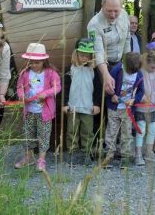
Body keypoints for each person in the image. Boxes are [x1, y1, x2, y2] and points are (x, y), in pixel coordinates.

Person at [14, 43, 61, 171]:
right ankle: (28, 157)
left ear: (44, 61)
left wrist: (46, 94)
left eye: (37, 62)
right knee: (28, 134)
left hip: (44, 112)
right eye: (31, 62)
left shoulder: (51, 73)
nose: (34, 65)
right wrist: (22, 95)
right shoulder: (25, 73)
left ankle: (41, 159)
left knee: (43, 135)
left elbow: (57, 87)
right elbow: (19, 87)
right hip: (29, 111)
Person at [62, 38, 99, 166]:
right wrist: (65, 104)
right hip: (72, 107)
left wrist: (97, 104)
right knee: (72, 131)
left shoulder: (94, 70)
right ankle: (72, 152)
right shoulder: (70, 69)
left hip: (88, 107)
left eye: (87, 55)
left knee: (87, 131)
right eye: (82, 54)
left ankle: (86, 152)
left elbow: (98, 89)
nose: (84, 57)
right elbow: (65, 87)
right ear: (76, 53)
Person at [105, 52, 144, 169]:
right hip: (114, 108)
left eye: (134, 71)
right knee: (111, 132)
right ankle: (108, 156)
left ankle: (125, 157)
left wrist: (134, 100)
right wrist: (112, 95)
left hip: (128, 110)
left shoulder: (139, 75)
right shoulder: (116, 71)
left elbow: (141, 91)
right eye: (130, 71)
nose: (131, 73)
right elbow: (107, 86)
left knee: (126, 134)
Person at [87, 0, 131, 96]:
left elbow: (127, 39)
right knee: (109, 95)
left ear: (121, 7)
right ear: (102, 6)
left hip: (121, 63)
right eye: (109, 11)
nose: (113, 15)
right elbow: (98, 52)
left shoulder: (124, 15)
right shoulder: (94, 24)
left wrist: (128, 63)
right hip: (103, 66)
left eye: (116, 11)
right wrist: (106, 75)